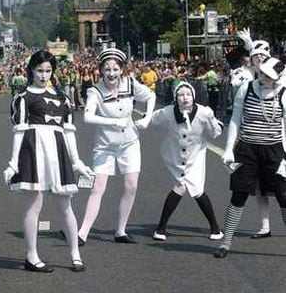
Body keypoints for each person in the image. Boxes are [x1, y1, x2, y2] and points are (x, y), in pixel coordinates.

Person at [3, 50, 93, 273]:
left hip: (58, 152)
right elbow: (19, 131)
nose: (44, 75)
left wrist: (78, 161)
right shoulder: (23, 98)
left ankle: (75, 254)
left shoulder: (62, 99)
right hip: (33, 151)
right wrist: (13, 163)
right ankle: (31, 256)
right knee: (34, 204)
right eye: (40, 70)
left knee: (65, 205)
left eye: (48, 71)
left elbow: (69, 132)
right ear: (31, 71)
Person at [77, 48, 156, 245]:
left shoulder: (130, 83)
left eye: (115, 69)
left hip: (129, 143)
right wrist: (112, 122)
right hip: (105, 146)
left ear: (122, 69)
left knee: (131, 185)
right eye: (107, 69)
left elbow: (150, 97)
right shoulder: (94, 91)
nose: (111, 74)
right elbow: (88, 116)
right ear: (101, 71)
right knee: (98, 188)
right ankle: (82, 233)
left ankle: (120, 231)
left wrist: (147, 117)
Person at [214, 57, 286, 258]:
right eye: (261, 72)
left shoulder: (283, 93)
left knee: (283, 196)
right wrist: (229, 148)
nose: (262, 77)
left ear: (277, 78)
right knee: (239, 194)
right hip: (247, 149)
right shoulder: (246, 89)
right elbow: (235, 119)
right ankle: (225, 241)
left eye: (268, 76)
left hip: (274, 150)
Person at [149, 82, 224, 241]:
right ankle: (215, 229)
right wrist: (141, 121)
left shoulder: (204, 113)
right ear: (176, 97)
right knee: (188, 187)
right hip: (175, 155)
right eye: (181, 95)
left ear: (193, 96)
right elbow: (152, 120)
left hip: (195, 155)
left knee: (189, 187)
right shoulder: (168, 112)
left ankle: (161, 229)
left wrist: (219, 126)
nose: (185, 98)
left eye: (188, 94)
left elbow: (214, 132)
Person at [235, 28, 274, 239]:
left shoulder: (280, 71)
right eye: (255, 56)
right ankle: (265, 226)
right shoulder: (250, 77)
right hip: (255, 139)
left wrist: (253, 46)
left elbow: (271, 69)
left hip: (278, 138)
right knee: (260, 187)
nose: (259, 59)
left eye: (263, 55)